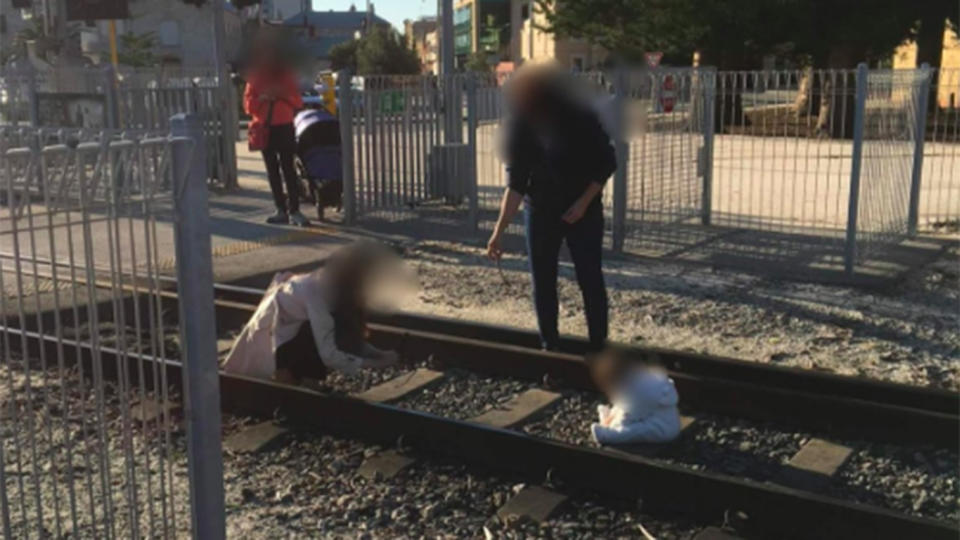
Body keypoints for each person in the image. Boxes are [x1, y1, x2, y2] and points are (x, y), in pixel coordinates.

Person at [486, 64, 617, 352]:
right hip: (541, 210)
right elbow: (517, 183)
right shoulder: (520, 124)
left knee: (590, 278)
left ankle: (599, 346)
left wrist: (583, 204)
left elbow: (607, 162)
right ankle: (550, 346)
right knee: (542, 281)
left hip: (583, 210)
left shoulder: (581, 116)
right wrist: (498, 232)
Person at [222, 242, 405, 384]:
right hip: (277, 334)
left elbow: (350, 334)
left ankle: (303, 376)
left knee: (330, 327)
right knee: (318, 333)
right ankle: (287, 374)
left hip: (293, 324)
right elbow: (329, 354)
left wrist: (379, 354)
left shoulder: (337, 286)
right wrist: (377, 363)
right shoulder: (318, 296)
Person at [243, 33, 308, 226]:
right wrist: (262, 98)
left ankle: (294, 210)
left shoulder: (286, 77)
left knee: (288, 169)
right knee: (272, 171)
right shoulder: (255, 78)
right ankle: (280, 209)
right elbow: (247, 106)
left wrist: (281, 95)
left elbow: (298, 102)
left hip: (285, 126)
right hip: (265, 128)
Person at [588, 349, 682, 445]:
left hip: (663, 430)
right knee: (621, 406)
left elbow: (627, 416)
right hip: (659, 420)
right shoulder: (642, 382)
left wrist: (612, 426)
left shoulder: (641, 393)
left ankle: (607, 435)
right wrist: (613, 416)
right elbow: (624, 404)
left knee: (634, 431)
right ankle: (608, 418)